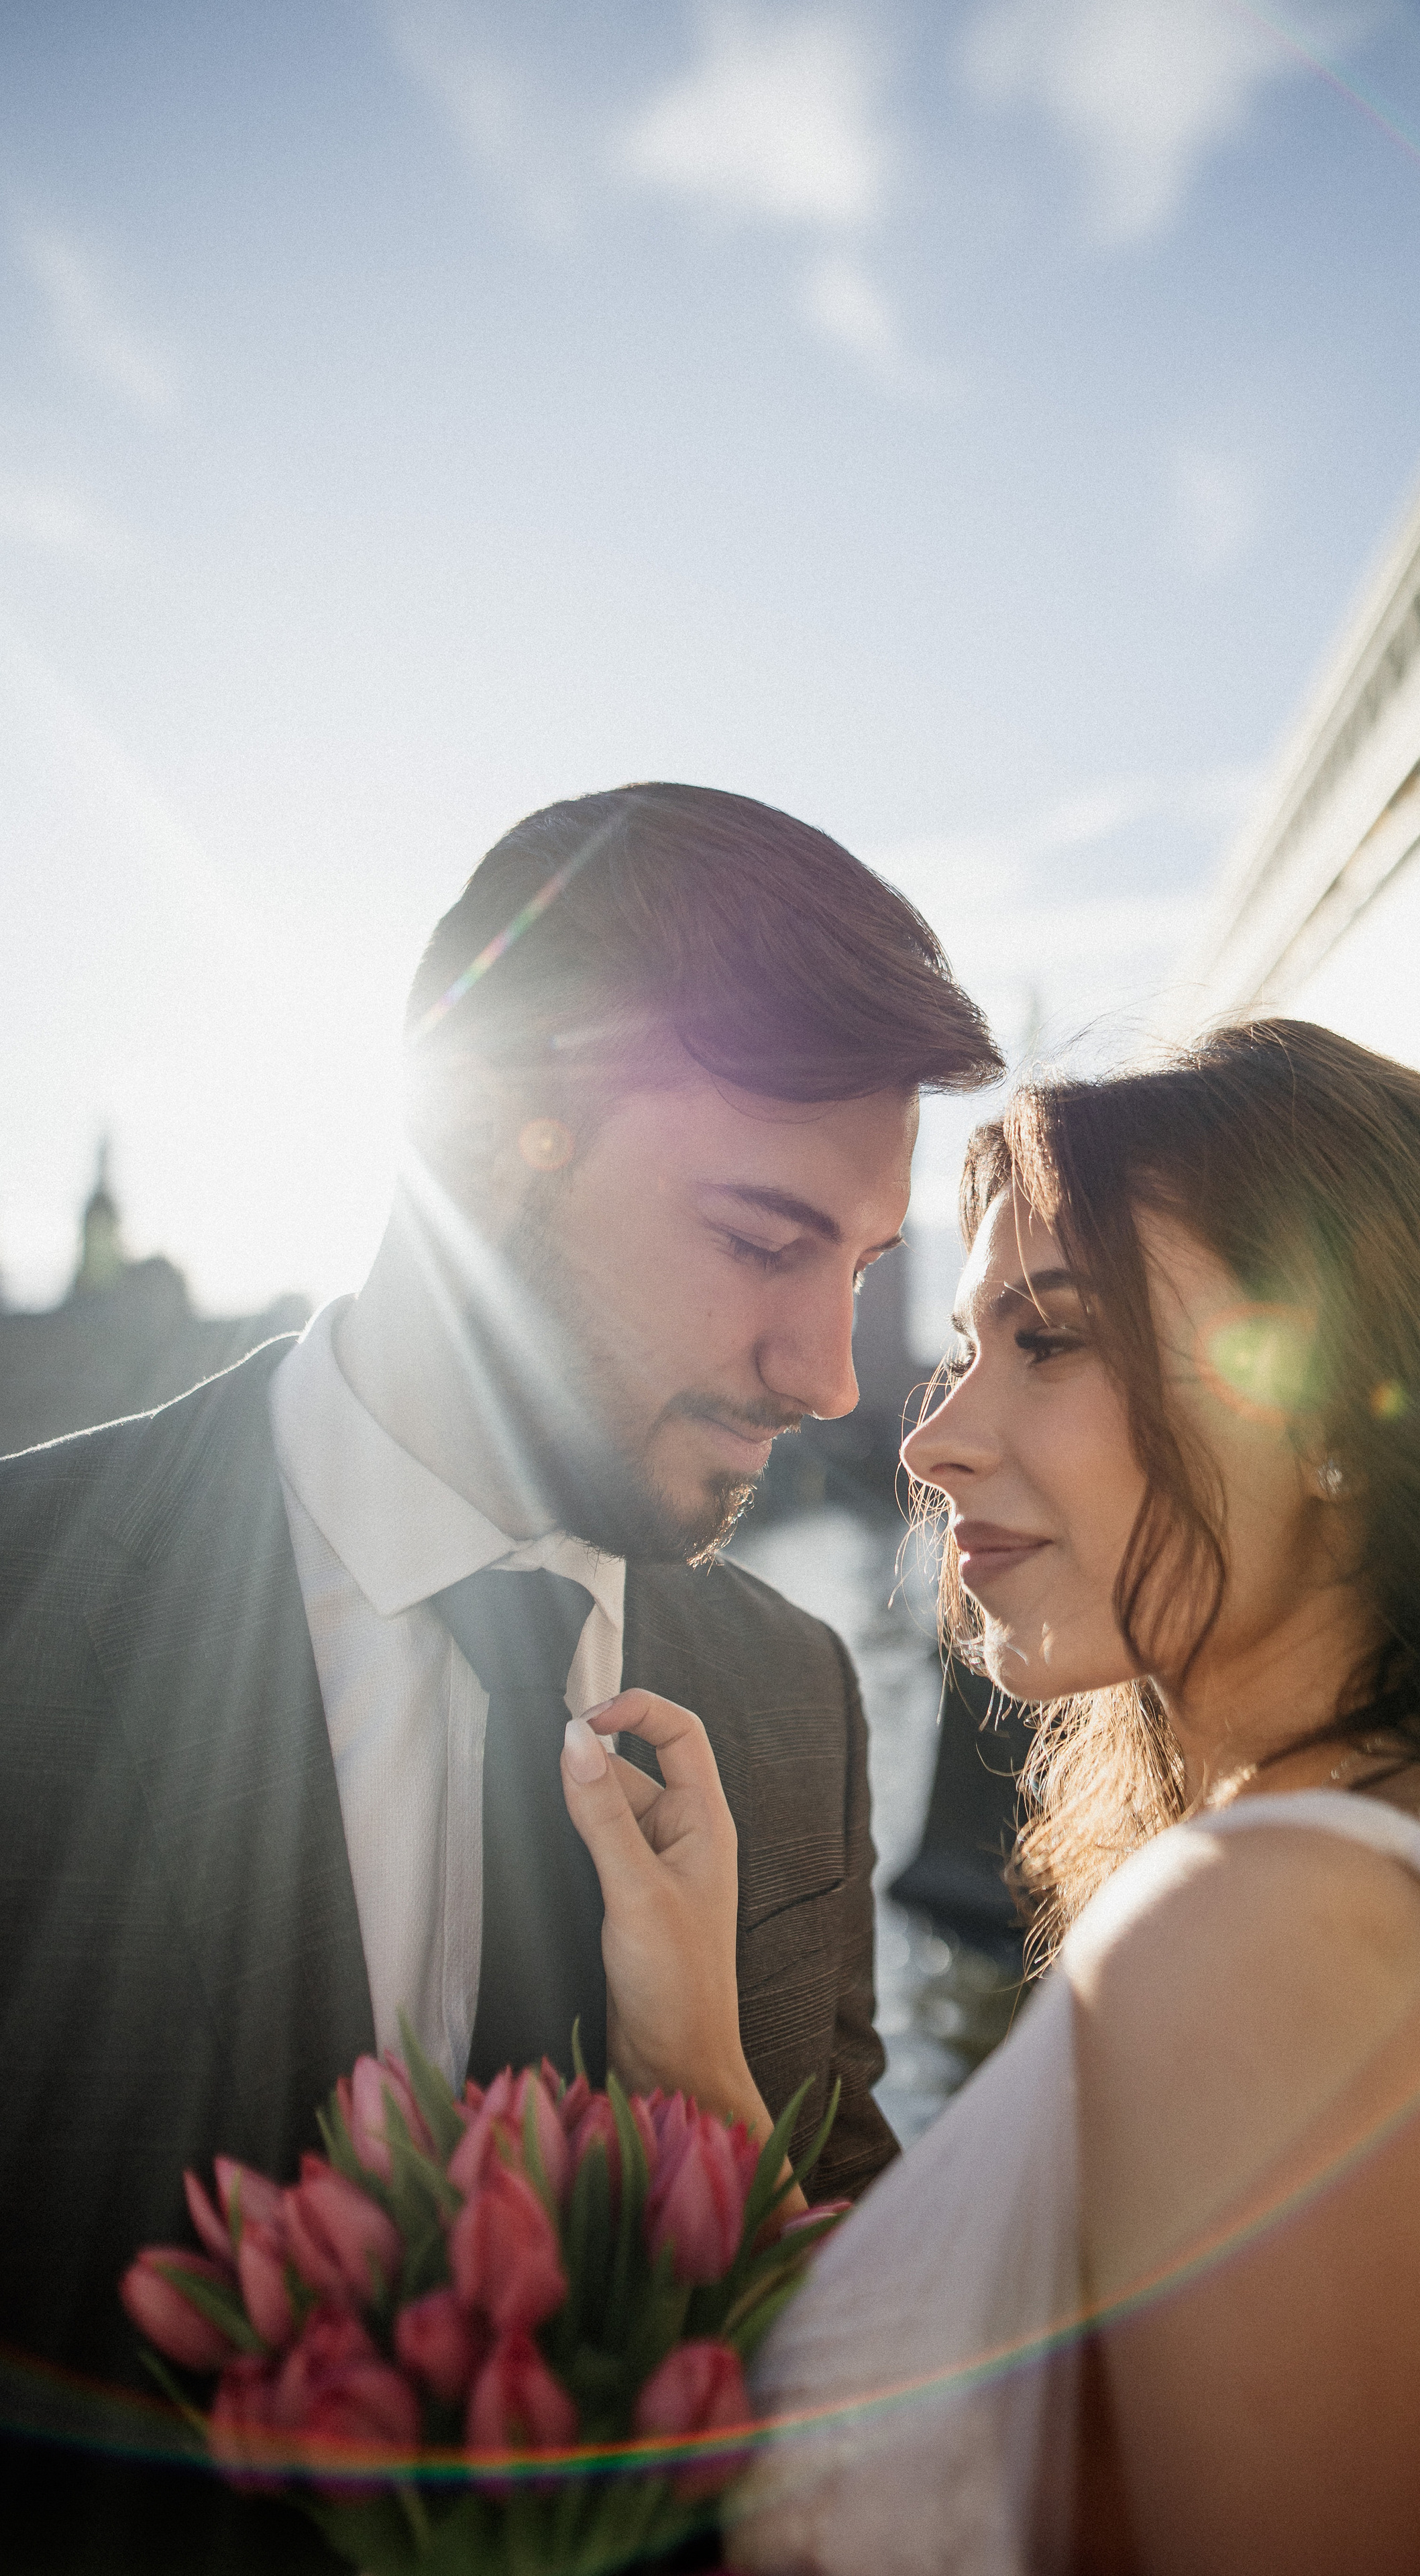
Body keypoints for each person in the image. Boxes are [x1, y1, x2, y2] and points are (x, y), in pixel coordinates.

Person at [563, 1018, 1420, 2573]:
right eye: (964, 1348)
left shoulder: (1270, 1940)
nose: (931, 1436)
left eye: (1051, 1341)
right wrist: (702, 2075)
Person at [0, 783, 1001, 2572]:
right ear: (473, 1145)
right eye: (764, 1244)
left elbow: (835, 2304)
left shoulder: (789, 1700)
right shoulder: (25, 1608)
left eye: (857, 1271)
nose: (831, 1375)